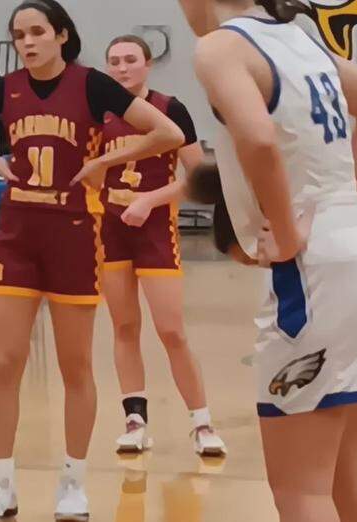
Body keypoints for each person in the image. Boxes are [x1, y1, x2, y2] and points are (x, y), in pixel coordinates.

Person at [177, 1, 357, 522]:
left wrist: (285, 232)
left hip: (318, 266)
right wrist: (343, 199)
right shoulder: (298, 34)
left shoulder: (220, 47)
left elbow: (257, 138)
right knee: (347, 479)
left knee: (301, 491)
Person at [0, 0, 184, 522]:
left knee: (75, 366)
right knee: (5, 362)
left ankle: (73, 481)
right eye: (19, 34)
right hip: (16, 235)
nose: (27, 42)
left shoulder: (93, 85)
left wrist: (102, 160)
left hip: (74, 234)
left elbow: (168, 134)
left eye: (38, 32)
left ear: (62, 36)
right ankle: (0, 484)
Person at [99, 34, 227, 458]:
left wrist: (150, 200)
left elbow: (199, 177)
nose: (122, 68)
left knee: (171, 330)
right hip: (109, 231)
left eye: (130, 60)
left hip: (154, 230)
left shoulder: (170, 109)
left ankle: (202, 423)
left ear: (148, 64)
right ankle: (135, 420)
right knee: (123, 327)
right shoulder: (97, 110)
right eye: (114, 61)